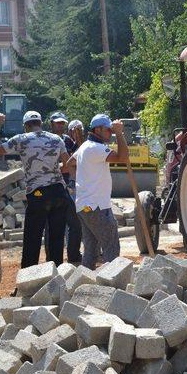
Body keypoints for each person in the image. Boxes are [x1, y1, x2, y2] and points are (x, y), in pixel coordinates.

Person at [0, 111, 70, 268]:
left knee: (33, 238)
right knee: (56, 238)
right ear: (40, 123)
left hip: (38, 193)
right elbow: (67, 164)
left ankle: (28, 278)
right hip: (59, 191)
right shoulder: (56, 138)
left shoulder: (21, 139)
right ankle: (55, 277)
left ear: (26, 125)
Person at [67, 114, 128, 269]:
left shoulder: (84, 147)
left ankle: (85, 282)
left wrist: (80, 181)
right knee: (111, 247)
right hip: (97, 207)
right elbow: (123, 157)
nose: (111, 133)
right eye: (108, 130)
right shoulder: (96, 148)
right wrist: (120, 133)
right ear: (98, 129)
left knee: (91, 250)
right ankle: (113, 283)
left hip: (84, 206)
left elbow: (69, 163)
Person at [47, 111, 82, 264]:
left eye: (62, 123)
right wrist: (63, 167)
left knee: (75, 223)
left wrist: (79, 137)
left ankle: (73, 256)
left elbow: (79, 155)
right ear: (51, 124)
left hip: (67, 186)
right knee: (51, 226)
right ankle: (52, 261)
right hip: (51, 186)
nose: (60, 125)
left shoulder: (67, 140)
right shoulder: (46, 141)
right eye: (57, 123)